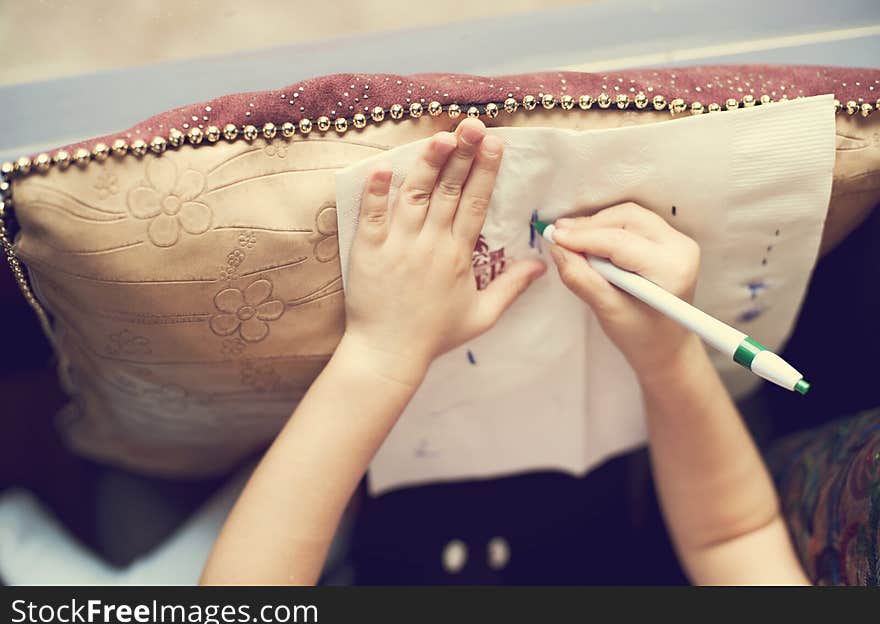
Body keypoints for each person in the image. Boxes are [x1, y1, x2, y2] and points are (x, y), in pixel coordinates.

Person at [200, 118, 809, 586]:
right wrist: (668, 355)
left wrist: (378, 356)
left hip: (366, 497)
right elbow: (735, 537)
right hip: (624, 481)